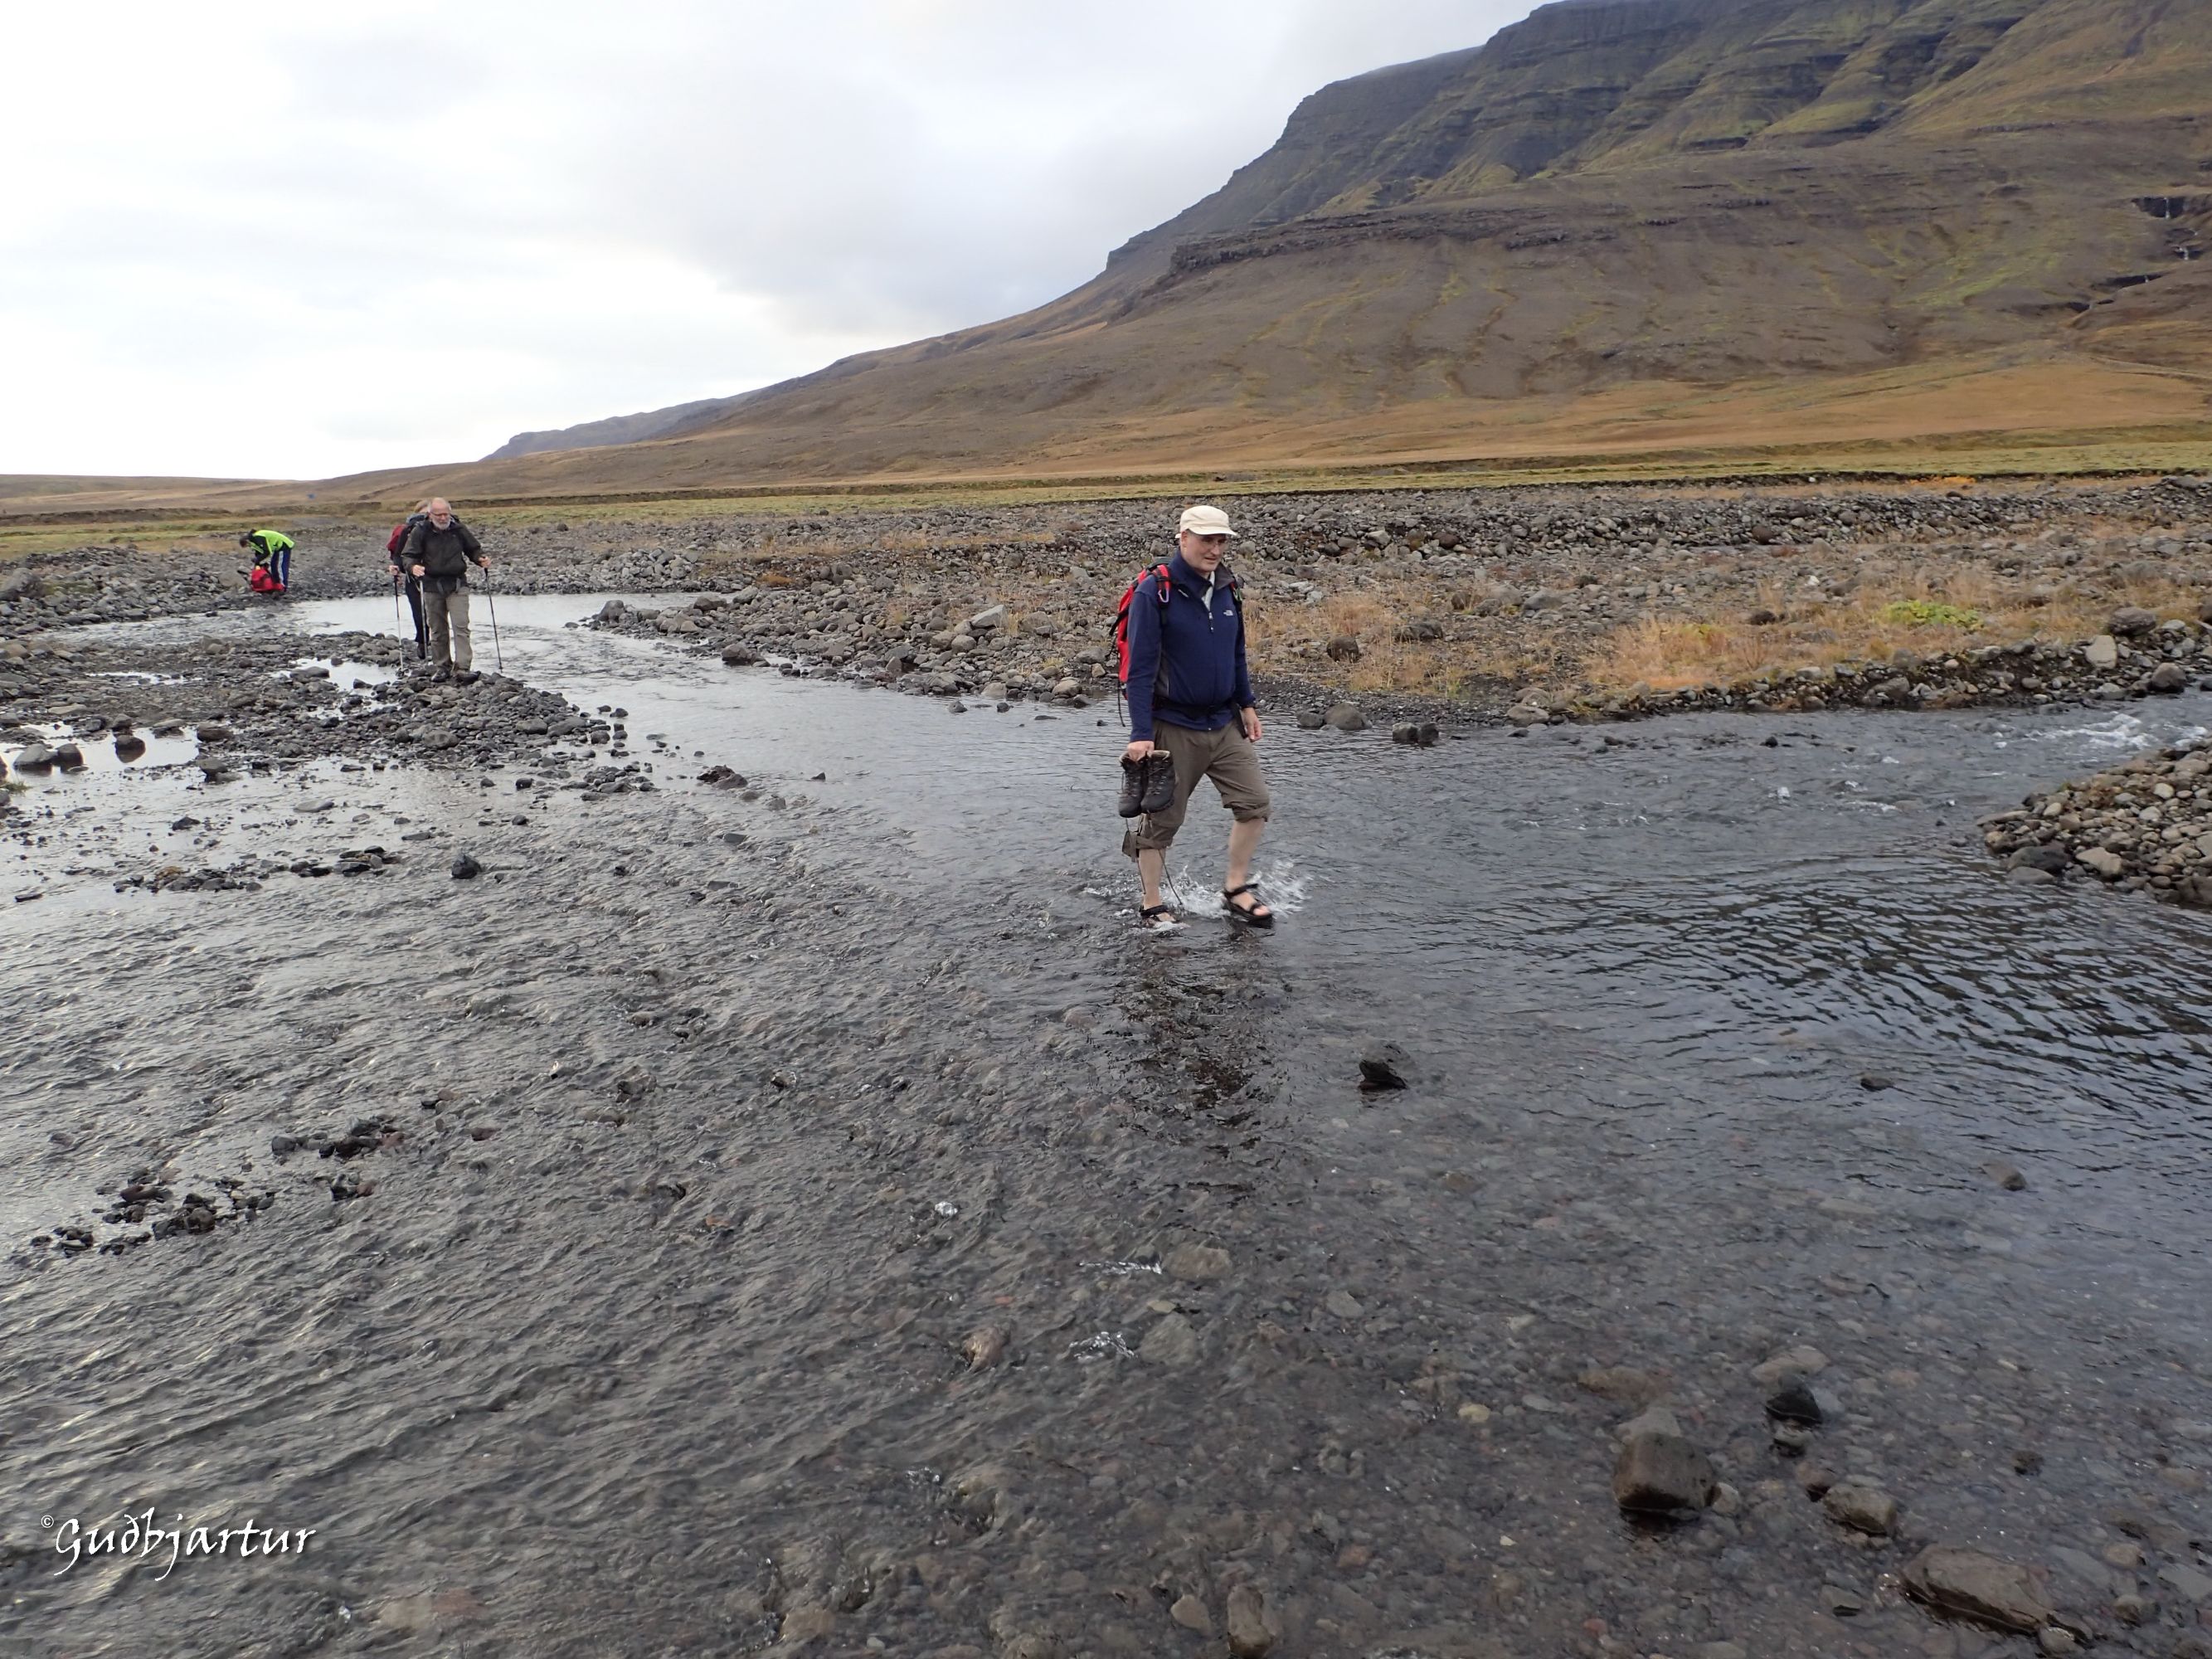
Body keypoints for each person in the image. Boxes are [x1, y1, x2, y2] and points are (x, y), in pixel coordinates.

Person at [1121, 503, 1274, 929]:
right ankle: (1152, 903)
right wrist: (1140, 734)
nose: (1215, 549)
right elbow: (1140, 672)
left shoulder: (1228, 588)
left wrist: (1247, 704)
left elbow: (1236, 652)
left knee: (1255, 804)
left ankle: (1235, 888)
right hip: (1172, 727)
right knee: (1161, 820)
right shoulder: (1155, 592)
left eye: (1221, 540)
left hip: (1224, 722)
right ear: (1183, 538)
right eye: (1207, 539)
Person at [401, 499, 491, 683]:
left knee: (461, 625)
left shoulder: (458, 529)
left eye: (446, 514)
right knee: (437, 629)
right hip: (432, 586)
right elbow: (408, 555)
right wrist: (413, 567)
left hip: (457, 584)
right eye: (439, 515)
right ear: (430, 515)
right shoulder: (420, 531)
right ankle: (442, 667)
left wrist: (480, 559)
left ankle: (463, 668)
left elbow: (473, 549)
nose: (443, 518)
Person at [386, 500, 431, 658]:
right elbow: (399, 555)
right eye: (423, 514)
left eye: (428, 514)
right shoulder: (407, 531)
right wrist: (396, 567)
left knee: (436, 615)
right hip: (414, 579)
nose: (425, 518)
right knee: (419, 614)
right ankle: (423, 642)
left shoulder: (440, 530)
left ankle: (437, 647)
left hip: (436, 578)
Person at [239, 528, 295, 594]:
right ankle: (277, 584)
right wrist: (257, 563)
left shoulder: (258, 537)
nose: (249, 546)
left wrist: (257, 559)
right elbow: (259, 552)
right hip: (276, 547)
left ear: (247, 541)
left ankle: (283, 587)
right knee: (273, 565)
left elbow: (267, 552)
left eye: (247, 545)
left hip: (283, 545)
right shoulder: (254, 541)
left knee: (280, 566)